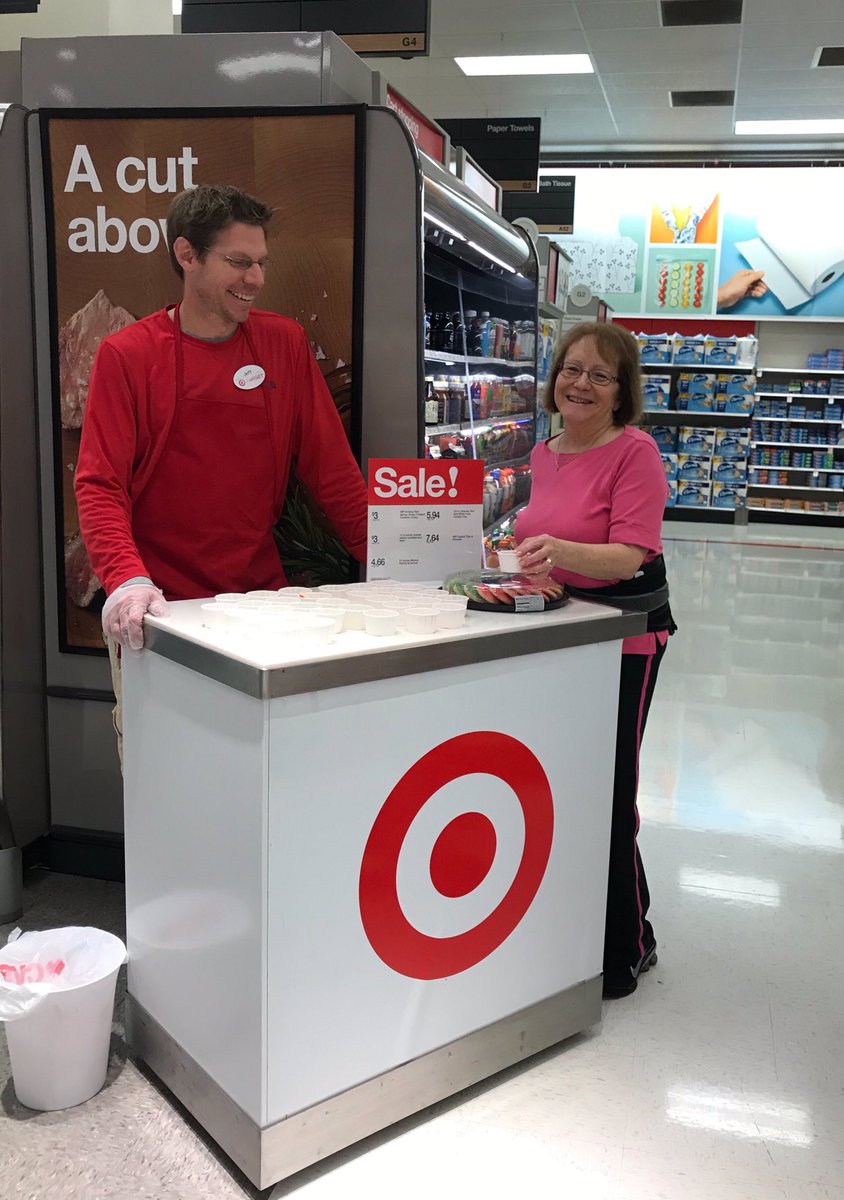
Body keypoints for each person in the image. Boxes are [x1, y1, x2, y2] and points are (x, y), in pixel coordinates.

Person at [75, 183, 368, 761]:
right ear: (187, 255)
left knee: (268, 772)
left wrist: (400, 563)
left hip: (263, 609)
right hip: (161, 616)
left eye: (261, 263)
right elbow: (100, 484)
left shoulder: (283, 344)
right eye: (238, 262)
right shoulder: (128, 355)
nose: (255, 278)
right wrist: (127, 582)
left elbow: (333, 473)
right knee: (170, 775)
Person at [514, 322, 676, 999]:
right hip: (562, 638)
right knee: (569, 787)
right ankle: (583, 930)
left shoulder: (635, 453)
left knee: (609, 789)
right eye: (571, 369)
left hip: (622, 642)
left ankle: (625, 948)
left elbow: (630, 554)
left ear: (621, 392)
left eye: (599, 375)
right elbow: (540, 538)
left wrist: (558, 552)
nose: (580, 384)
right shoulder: (543, 451)